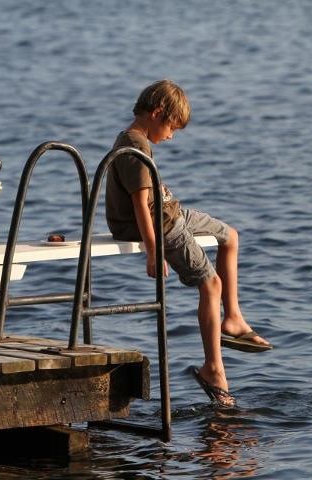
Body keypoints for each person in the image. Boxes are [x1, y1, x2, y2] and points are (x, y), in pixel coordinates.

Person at [105, 79, 272, 407]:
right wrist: (153, 252)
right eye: (172, 128)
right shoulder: (135, 146)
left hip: (171, 213)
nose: (171, 136)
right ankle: (214, 368)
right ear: (156, 113)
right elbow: (141, 205)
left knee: (230, 236)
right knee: (210, 285)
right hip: (161, 225)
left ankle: (233, 318)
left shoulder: (138, 140)